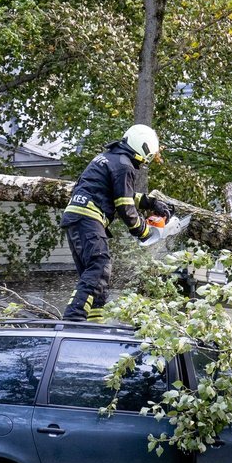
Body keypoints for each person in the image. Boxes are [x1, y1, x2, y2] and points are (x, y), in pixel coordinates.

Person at [61, 123, 173, 321]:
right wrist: (144, 231)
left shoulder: (111, 158)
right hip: (88, 217)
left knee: (98, 281)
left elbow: (118, 193)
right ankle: (73, 319)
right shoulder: (124, 165)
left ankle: (94, 324)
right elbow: (125, 206)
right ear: (144, 148)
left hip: (77, 217)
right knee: (99, 267)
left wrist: (151, 202)